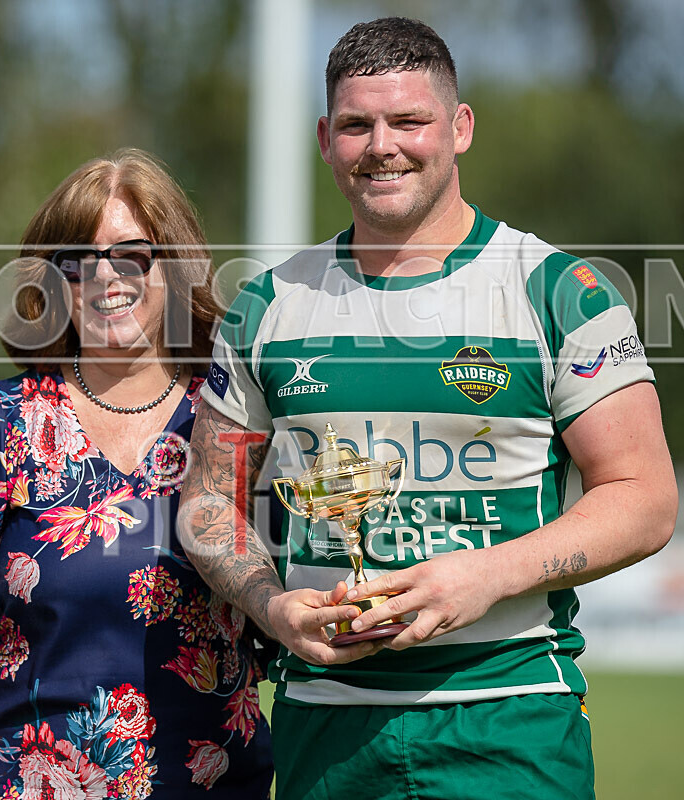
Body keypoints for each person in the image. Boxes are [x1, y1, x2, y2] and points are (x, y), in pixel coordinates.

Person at [178, 17, 678, 800]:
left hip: (508, 717)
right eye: (356, 125)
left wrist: (484, 576)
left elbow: (645, 500)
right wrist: (271, 606)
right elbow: (208, 500)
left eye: (409, 120)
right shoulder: (265, 307)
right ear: (325, 137)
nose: (383, 145)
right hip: (324, 724)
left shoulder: (560, 292)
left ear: (460, 127)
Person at [0, 148, 273, 800]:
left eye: (131, 253)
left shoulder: (232, 421)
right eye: (76, 259)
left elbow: (284, 629)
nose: (104, 276)